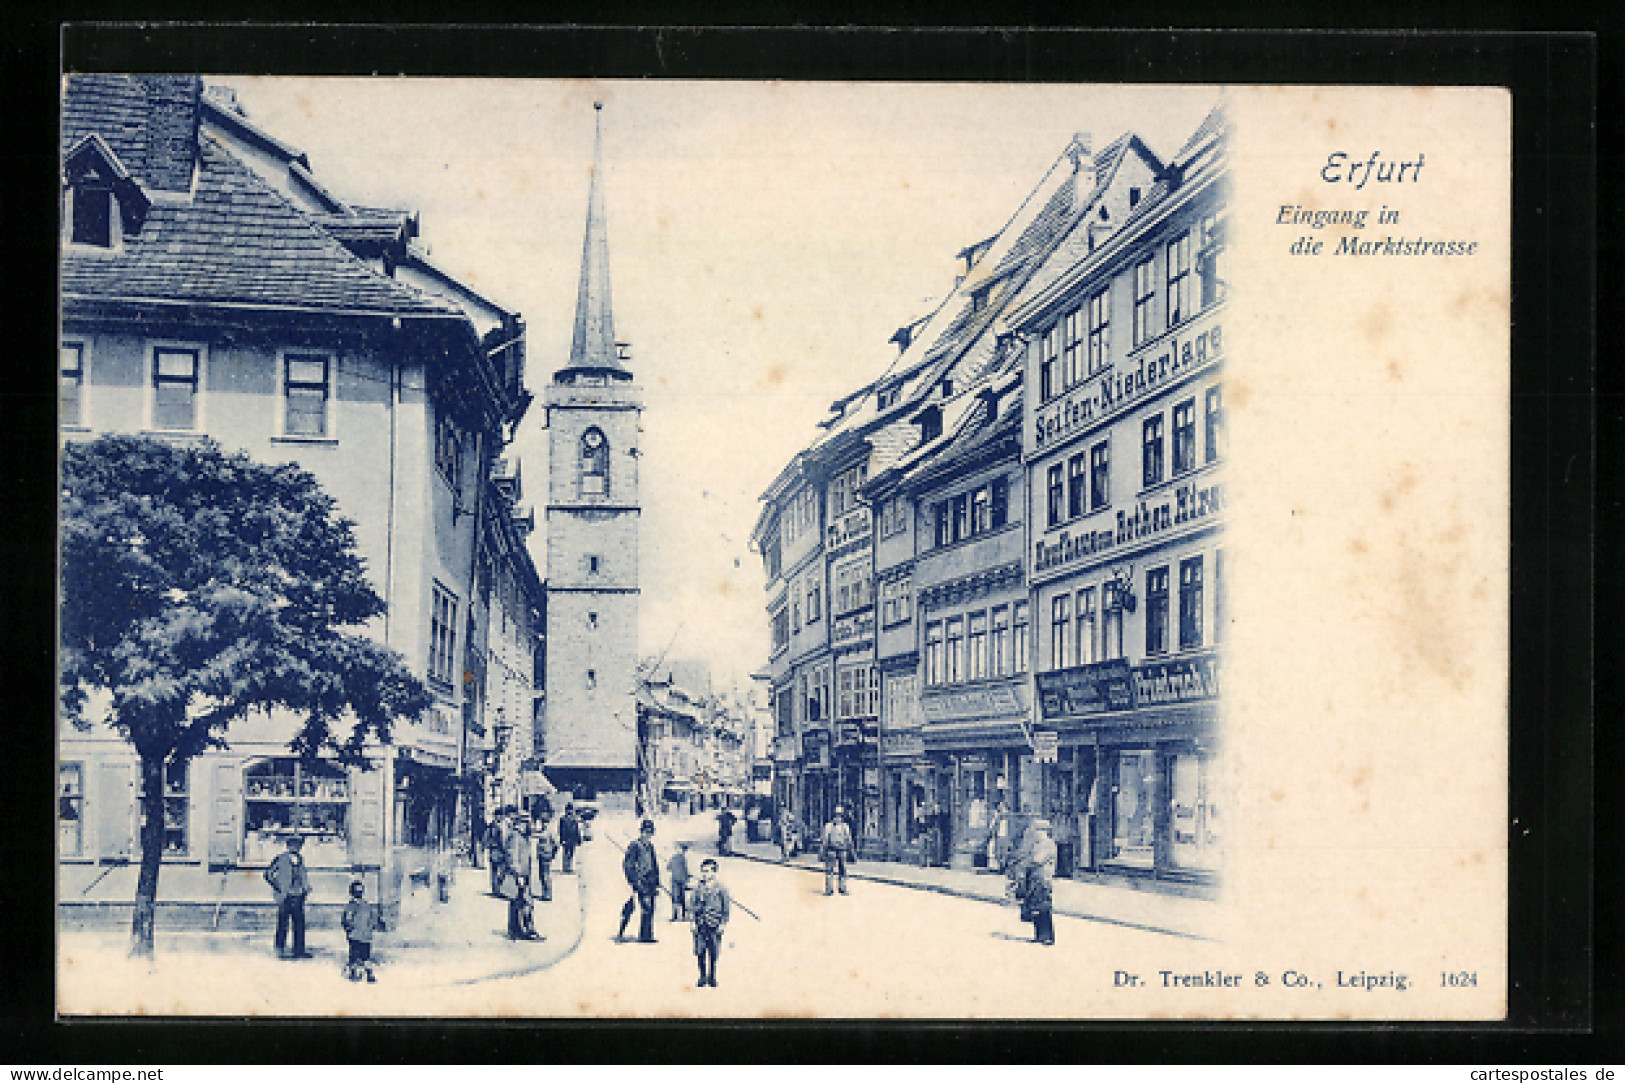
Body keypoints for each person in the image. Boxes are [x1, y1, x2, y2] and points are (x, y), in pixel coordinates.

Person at [1010, 818, 1058, 946]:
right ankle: (1038, 935)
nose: (1034, 833)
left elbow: (1037, 860)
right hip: (1034, 878)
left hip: (1043, 880)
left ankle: (1047, 936)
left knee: (1043, 907)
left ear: (1043, 831)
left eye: (1036, 830)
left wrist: (1025, 862)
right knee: (1035, 907)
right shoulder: (1038, 844)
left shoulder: (1047, 844)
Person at [264, 834, 312, 959]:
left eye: (298, 845)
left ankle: (299, 950)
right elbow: (268, 873)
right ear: (288, 846)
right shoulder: (280, 858)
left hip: (298, 896)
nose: (296, 848)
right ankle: (280, 950)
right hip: (285, 896)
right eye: (293, 845)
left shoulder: (301, 859)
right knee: (282, 924)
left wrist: (305, 888)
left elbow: (302, 875)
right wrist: (277, 886)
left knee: (299, 924)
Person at [690, 857, 731, 988]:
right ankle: (702, 977)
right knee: (700, 951)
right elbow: (691, 906)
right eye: (703, 871)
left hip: (714, 924)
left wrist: (723, 924)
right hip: (700, 924)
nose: (705, 874)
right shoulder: (697, 888)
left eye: (708, 871)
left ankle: (712, 977)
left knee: (713, 951)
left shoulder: (721, 889)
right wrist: (692, 921)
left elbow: (726, 909)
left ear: (714, 873)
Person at [618, 818, 660, 943]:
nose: (647, 835)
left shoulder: (650, 847)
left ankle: (646, 935)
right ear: (641, 832)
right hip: (640, 881)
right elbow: (628, 865)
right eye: (645, 832)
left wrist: (657, 880)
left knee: (650, 908)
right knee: (642, 907)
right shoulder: (635, 846)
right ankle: (635, 935)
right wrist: (635, 881)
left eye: (650, 833)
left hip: (650, 881)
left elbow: (654, 864)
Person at [505, 817, 540, 940]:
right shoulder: (515, 836)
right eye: (526, 823)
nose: (529, 826)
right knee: (521, 903)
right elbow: (512, 856)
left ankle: (517, 930)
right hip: (519, 876)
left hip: (525, 875)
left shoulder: (524, 837)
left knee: (521, 902)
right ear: (520, 824)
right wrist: (518, 874)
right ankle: (523, 930)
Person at [341, 879, 380, 983]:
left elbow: (372, 918)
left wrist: (372, 926)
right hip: (355, 935)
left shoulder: (366, 905)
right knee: (355, 955)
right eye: (357, 891)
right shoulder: (351, 906)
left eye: (360, 891)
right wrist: (349, 929)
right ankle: (354, 972)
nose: (359, 894)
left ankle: (369, 974)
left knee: (365, 956)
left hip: (364, 935)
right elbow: (347, 920)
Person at [820, 805, 855, 896]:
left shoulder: (845, 827)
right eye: (836, 815)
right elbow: (825, 839)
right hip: (831, 850)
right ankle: (829, 889)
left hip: (842, 850)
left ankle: (842, 888)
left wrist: (851, 851)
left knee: (842, 870)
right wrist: (823, 850)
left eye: (839, 816)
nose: (838, 818)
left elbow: (849, 839)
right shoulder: (829, 826)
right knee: (830, 870)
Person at [667, 841, 692, 921]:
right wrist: (687, 877)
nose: (683, 852)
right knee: (679, 898)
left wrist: (687, 876)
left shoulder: (674, 858)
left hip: (678, 880)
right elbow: (685, 870)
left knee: (677, 898)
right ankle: (678, 916)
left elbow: (668, 868)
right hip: (678, 881)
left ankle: (677, 916)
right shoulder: (681, 858)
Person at [558, 803, 582, 874]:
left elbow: (577, 829)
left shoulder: (574, 819)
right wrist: (562, 839)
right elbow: (561, 830)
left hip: (573, 838)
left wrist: (579, 839)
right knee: (566, 852)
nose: (570, 811)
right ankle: (565, 867)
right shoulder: (563, 819)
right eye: (568, 810)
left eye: (571, 810)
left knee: (571, 853)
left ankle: (569, 867)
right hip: (566, 838)